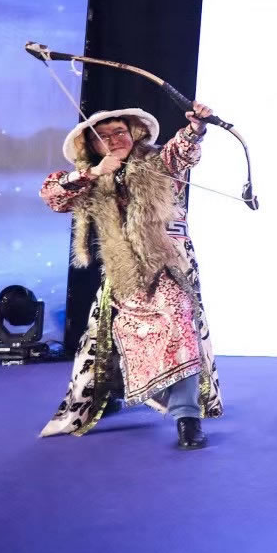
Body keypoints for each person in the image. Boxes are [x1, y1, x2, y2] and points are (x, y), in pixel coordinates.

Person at [40, 105, 223, 449]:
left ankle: (187, 417)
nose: (113, 140)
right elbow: (52, 195)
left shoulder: (157, 162)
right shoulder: (90, 176)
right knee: (106, 335)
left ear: (133, 133)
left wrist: (196, 128)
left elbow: (182, 151)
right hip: (121, 268)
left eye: (119, 133)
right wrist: (94, 173)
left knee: (179, 325)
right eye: (104, 136)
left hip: (167, 263)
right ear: (92, 145)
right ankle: (108, 394)